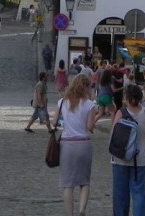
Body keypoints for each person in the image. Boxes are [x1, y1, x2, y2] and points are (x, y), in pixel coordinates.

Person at [52, 74, 97, 216]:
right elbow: (90, 126)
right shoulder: (90, 105)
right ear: (84, 87)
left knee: (67, 184)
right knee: (84, 181)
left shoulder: (62, 102)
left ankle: (70, 214)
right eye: (88, 86)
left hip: (67, 144)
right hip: (83, 144)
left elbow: (54, 123)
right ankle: (82, 210)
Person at [111, 84, 145, 216]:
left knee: (120, 193)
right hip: (138, 158)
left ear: (126, 98)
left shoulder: (121, 113)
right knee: (138, 192)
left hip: (121, 158)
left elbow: (114, 134)